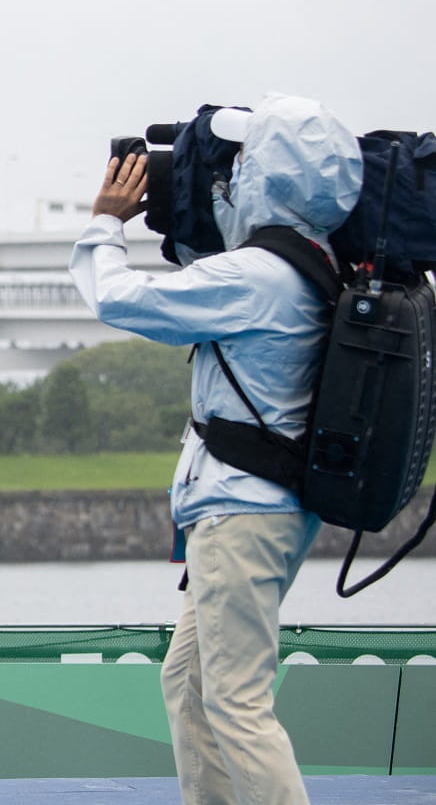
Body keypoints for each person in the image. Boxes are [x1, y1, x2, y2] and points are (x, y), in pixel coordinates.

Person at [69, 93, 363, 804]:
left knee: (235, 701)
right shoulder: (311, 261)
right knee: (191, 682)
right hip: (260, 508)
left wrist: (107, 224)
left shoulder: (254, 278)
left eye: (240, 161)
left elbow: (121, 301)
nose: (227, 175)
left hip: (241, 514)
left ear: (269, 173)